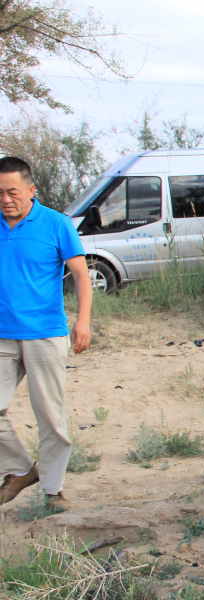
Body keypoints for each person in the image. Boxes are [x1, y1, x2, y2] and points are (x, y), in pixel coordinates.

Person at [0, 156, 92, 513]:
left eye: (12, 192)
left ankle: (53, 491)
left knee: (50, 416)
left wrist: (83, 322)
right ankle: (22, 470)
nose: (6, 200)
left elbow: (82, 275)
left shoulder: (56, 224)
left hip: (45, 333)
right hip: (3, 334)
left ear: (30, 190)